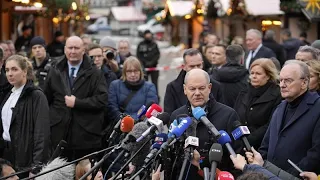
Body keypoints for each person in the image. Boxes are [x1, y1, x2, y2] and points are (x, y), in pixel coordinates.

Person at [44, 36, 108, 161]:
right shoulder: (55, 70)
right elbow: (47, 99)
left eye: (76, 48)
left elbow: (102, 100)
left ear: (83, 50)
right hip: (59, 135)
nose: (73, 51)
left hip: (85, 136)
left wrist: (78, 103)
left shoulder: (95, 73)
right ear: (64, 49)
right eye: (70, 48)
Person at [169, 69, 239, 179]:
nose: (197, 93)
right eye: (192, 89)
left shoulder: (228, 115)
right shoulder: (177, 116)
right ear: (185, 89)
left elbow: (236, 158)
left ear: (209, 88)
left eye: (201, 88)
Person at [259, 60, 320, 176]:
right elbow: (266, 144)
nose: (282, 85)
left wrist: (288, 176)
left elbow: (316, 153)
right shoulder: (280, 107)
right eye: (281, 80)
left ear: (304, 82)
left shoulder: (317, 108)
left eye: (288, 80)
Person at [0, 55, 50, 176]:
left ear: (24, 71)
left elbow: (41, 134)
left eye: (14, 69)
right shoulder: (9, 94)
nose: (10, 74)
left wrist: (37, 167)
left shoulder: (36, 96)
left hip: (26, 160)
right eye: (7, 70)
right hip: (7, 157)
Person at [234, 58, 282, 149]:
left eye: (258, 74)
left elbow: (271, 125)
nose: (254, 76)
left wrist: (250, 140)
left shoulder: (277, 94)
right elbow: (235, 115)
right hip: (240, 144)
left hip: (262, 146)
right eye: (252, 73)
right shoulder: (244, 91)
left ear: (268, 76)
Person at [164, 48, 224, 115]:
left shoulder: (216, 86)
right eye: (192, 66)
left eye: (199, 65)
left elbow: (221, 113)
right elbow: (170, 116)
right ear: (184, 66)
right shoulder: (172, 87)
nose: (196, 69)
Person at [108, 56, 158, 121]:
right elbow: (112, 108)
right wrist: (124, 120)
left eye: (136, 71)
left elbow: (150, 109)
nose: (133, 74)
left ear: (140, 72)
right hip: (120, 124)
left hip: (142, 126)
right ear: (124, 73)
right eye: (129, 71)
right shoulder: (115, 85)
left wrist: (134, 121)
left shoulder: (149, 87)